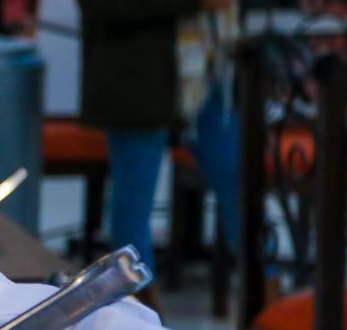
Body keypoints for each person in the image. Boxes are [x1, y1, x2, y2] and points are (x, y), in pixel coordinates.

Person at [77, 0, 240, 281]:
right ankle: (136, 301)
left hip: (206, 68)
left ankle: (266, 291)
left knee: (238, 180)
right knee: (134, 197)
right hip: (137, 71)